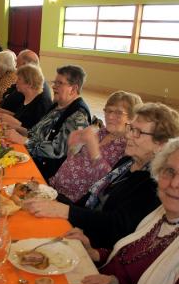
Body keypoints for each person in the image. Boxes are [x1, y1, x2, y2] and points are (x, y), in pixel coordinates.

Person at [65, 137, 179, 284]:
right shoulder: (161, 214)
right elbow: (132, 255)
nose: (174, 183)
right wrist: (95, 253)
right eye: (169, 171)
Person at [26, 102, 179, 248]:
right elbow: (90, 201)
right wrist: (53, 197)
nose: (129, 136)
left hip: (97, 247)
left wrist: (65, 210)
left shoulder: (153, 183)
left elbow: (117, 225)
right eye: (131, 128)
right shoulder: (127, 162)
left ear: (161, 144)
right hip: (83, 228)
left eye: (138, 132)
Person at [49, 91, 143, 203]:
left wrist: (95, 152)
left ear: (132, 118)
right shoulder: (100, 132)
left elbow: (109, 183)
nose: (110, 116)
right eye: (108, 110)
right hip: (54, 187)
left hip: (74, 202)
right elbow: (77, 160)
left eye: (118, 113)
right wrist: (73, 146)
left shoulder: (127, 147)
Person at [5, 65, 91, 180]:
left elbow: (57, 150)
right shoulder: (58, 105)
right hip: (31, 159)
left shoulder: (78, 116)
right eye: (55, 82)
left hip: (45, 173)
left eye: (60, 83)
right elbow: (36, 132)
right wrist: (16, 129)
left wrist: (23, 141)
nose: (54, 87)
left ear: (74, 89)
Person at [0, 64, 52, 130]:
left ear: (29, 83)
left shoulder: (42, 102)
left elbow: (37, 133)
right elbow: (21, 118)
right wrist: (3, 112)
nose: (16, 82)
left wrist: (15, 122)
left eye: (19, 79)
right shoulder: (25, 96)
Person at [0, 49, 52, 113]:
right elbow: (6, 94)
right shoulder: (36, 80)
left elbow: (7, 103)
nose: (16, 67)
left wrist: (7, 96)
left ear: (25, 65)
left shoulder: (29, 84)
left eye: (17, 64)